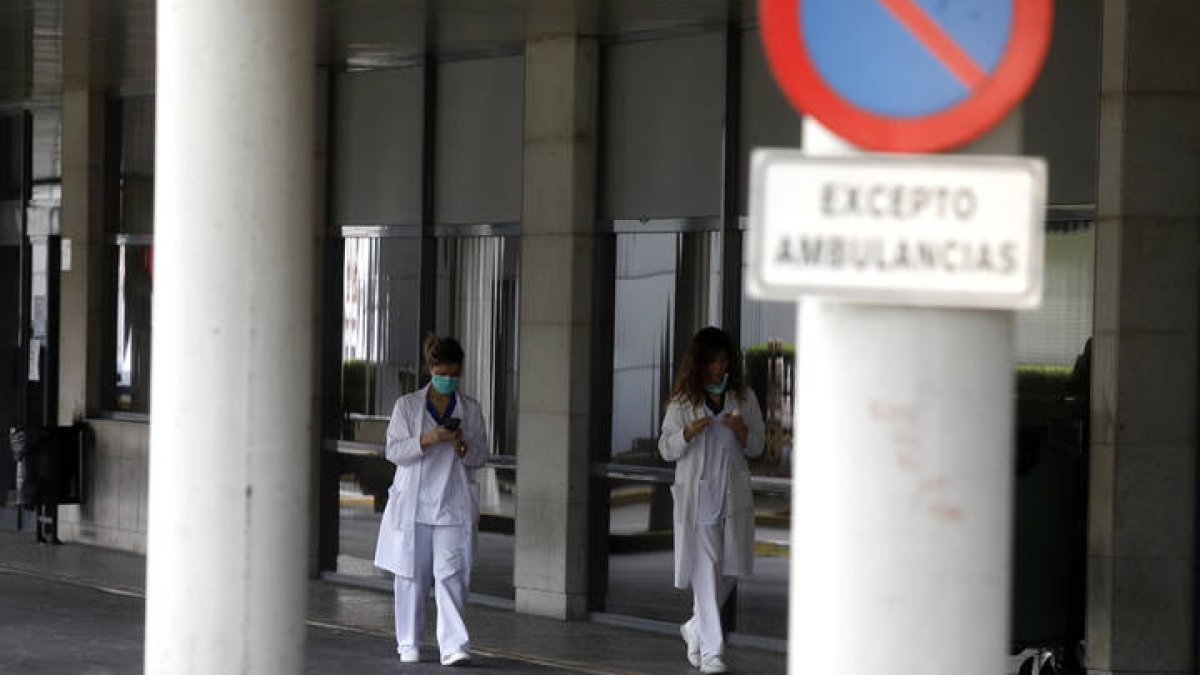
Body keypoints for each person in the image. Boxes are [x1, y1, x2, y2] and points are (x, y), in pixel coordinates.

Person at [374, 334, 488, 666]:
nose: (449, 379)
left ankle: (454, 646)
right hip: (413, 506)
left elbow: (481, 456)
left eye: (455, 374)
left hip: (451, 504)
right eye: (443, 372)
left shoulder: (470, 409)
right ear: (430, 367)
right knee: (410, 576)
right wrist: (428, 438)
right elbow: (394, 451)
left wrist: (464, 449)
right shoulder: (407, 406)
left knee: (451, 575)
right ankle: (408, 642)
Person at [659, 327, 765, 674]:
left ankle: (694, 627)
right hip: (700, 492)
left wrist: (742, 431)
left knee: (731, 569)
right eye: (712, 361)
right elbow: (665, 448)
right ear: (700, 364)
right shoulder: (683, 402)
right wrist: (688, 432)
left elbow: (759, 447)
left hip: (732, 491)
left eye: (723, 361)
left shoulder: (744, 398)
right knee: (705, 570)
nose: (719, 368)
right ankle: (712, 653)